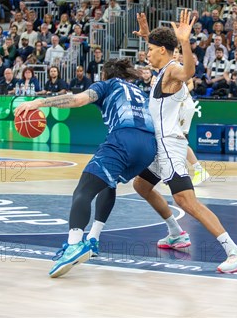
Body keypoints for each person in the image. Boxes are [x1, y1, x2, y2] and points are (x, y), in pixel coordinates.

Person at [131, 10, 237, 273]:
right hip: (158, 147)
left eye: (150, 49)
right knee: (141, 185)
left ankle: (235, 252)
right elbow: (164, 52)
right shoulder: (163, 68)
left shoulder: (172, 70)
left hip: (170, 147)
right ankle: (176, 233)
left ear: (163, 50)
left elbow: (188, 70)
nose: (146, 53)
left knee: (187, 201)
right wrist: (147, 33)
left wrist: (184, 42)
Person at [15, 58, 157, 278]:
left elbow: (77, 100)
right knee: (108, 184)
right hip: (149, 147)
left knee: (84, 189)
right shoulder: (139, 91)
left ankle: (73, 244)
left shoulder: (108, 85)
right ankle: (93, 240)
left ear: (107, 75)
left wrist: (39, 103)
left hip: (124, 139)